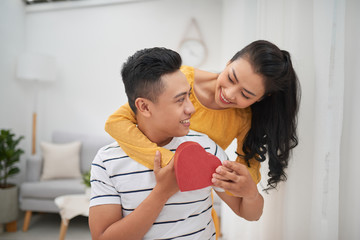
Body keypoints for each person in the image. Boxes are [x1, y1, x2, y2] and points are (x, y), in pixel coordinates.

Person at [89, 47, 264, 240]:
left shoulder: (207, 148)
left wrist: (251, 194)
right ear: (144, 106)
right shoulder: (107, 162)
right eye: (180, 100)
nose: (191, 109)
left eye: (189, 95)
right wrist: (163, 192)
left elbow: (249, 213)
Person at [105, 40, 300, 191]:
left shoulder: (245, 118)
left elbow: (248, 172)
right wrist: (170, 162)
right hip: (141, 185)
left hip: (192, 206)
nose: (230, 94)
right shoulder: (181, 80)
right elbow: (116, 122)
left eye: (246, 94)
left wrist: (237, 181)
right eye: (231, 78)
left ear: (261, 98)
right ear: (229, 62)